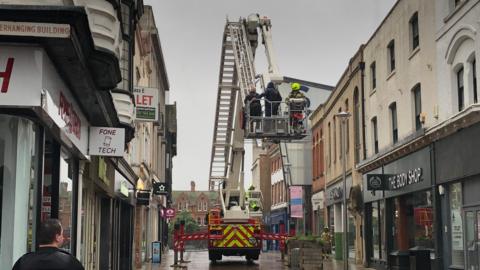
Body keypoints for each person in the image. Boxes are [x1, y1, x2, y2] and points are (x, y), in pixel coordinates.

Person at [13, 219, 84, 270]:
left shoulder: (23, 262)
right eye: (62, 234)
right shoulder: (70, 262)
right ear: (57, 237)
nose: (63, 238)